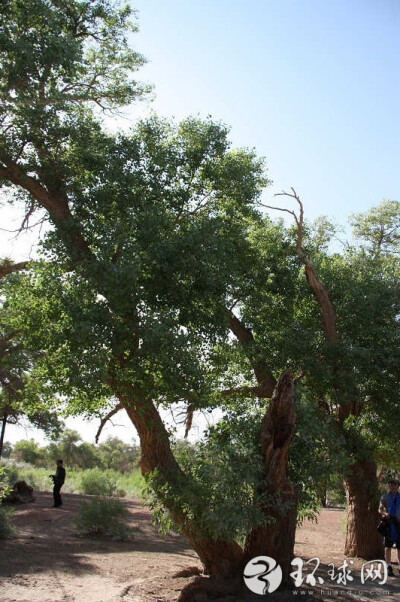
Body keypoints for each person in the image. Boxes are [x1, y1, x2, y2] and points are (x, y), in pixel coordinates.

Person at [379, 478, 400, 576]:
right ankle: (388, 566)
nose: (392, 486)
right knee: (388, 546)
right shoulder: (385, 497)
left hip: (399, 524)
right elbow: (380, 509)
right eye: (390, 484)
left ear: (398, 486)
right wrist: (385, 513)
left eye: (394, 484)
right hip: (389, 523)